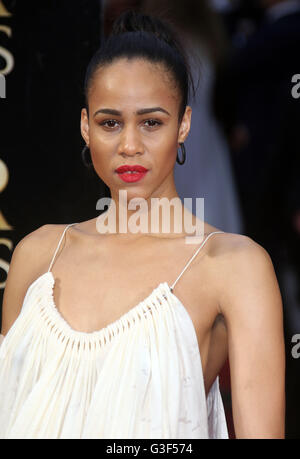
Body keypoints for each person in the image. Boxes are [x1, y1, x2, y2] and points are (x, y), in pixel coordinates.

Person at [0, 10, 285, 439]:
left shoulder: (234, 265)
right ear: (84, 126)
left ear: (184, 124)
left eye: (151, 122)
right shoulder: (37, 255)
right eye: (110, 122)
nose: (129, 145)